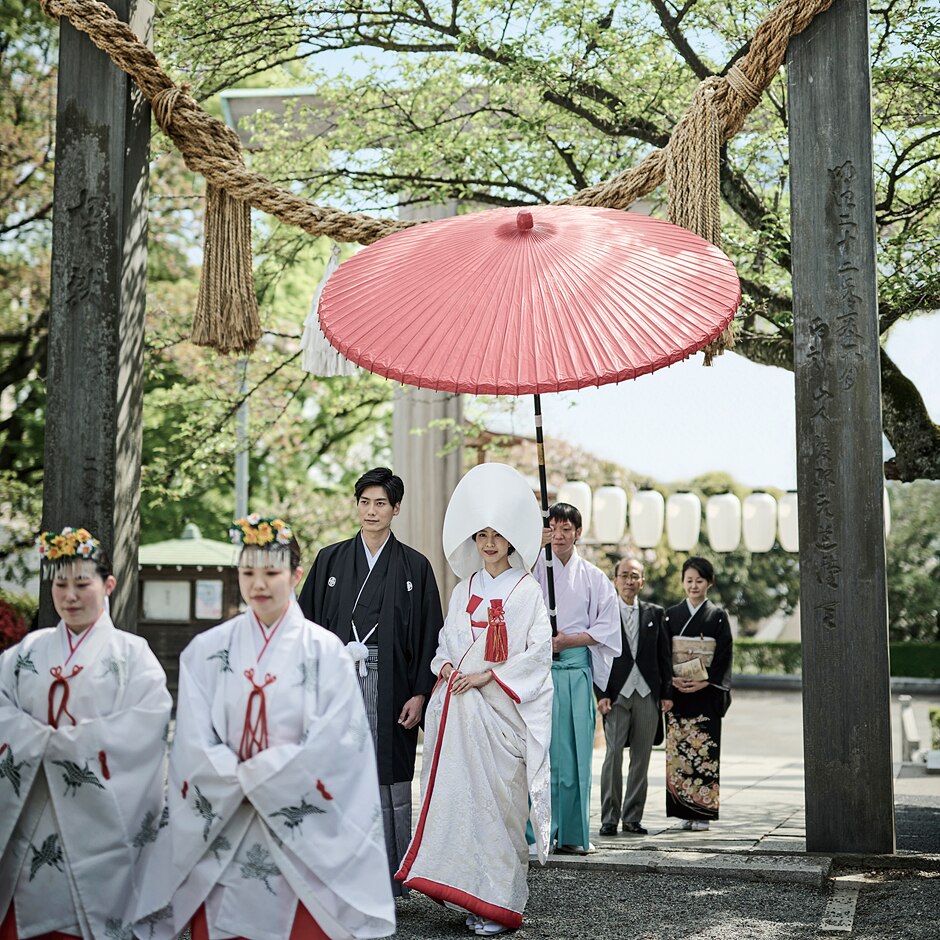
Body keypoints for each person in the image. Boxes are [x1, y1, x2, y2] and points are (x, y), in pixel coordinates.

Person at [134, 515, 395, 940]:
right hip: (228, 815)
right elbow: (194, 741)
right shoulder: (207, 650)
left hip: (300, 827)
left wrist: (256, 773)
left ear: (295, 575)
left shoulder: (326, 652)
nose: (258, 584)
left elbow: (340, 744)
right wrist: (245, 776)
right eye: (248, 572)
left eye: (271, 573)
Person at [396, 463, 553, 937]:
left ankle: (500, 902)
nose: (489, 543)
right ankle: (471, 892)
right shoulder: (464, 588)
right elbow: (448, 641)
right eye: (481, 535)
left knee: (498, 811)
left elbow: (538, 654)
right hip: (460, 715)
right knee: (463, 807)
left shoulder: (527, 591)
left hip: (499, 714)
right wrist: (444, 666)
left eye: (497, 535)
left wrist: (489, 675)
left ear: (510, 541)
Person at [0, 526, 171, 940]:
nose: (70, 596)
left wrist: (65, 744)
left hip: (102, 818)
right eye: (60, 584)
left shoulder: (133, 655)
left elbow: (146, 725)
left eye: (82, 584)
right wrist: (38, 741)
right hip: (32, 806)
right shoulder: (27, 652)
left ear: (108, 584)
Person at [297, 468, 442, 893]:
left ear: (396, 509)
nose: (371, 511)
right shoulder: (330, 559)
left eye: (381, 503)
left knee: (389, 775)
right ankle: (335, 871)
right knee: (335, 767)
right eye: (365, 502)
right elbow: (305, 625)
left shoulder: (415, 566)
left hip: (394, 684)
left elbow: (429, 633)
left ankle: (389, 877)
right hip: (337, 681)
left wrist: (420, 693)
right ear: (356, 505)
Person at [530, 502, 621, 855]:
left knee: (576, 753)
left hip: (576, 669)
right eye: (553, 528)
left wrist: (570, 640)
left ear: (578, 533)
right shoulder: (532, 570)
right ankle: (537, 832)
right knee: (540, 752)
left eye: (566, 528)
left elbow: (607, 628)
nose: (560, 535)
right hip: (539, 671)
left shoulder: (595, 578)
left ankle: (572, 833)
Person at [596, 557, 672, 837]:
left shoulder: (655, 613)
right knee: (613, 755)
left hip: (647, 694)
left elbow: (664, 657)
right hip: (616, 694)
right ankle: (608, 817)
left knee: (642, 757)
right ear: (615, 580)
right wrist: (601, 693)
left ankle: (632, 817)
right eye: (624, 575)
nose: (629, 581)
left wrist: (666, 694)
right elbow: (599, 656)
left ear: (642, 581)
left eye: (635, 576)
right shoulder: (604, 614)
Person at [664, 555, 733, 832]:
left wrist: (706, 682)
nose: (694, 586)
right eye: (689, 580)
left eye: (699, 580)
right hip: (679, 691)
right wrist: (671, 679)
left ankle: (702, 813)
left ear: (709, 583)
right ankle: (684, 811)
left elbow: (725, 654)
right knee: (680, 751)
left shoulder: (717, 616)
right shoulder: (671, 614)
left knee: (704, 751)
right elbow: (662, 652)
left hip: (705, 693)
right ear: (683, 582)